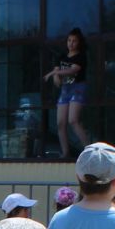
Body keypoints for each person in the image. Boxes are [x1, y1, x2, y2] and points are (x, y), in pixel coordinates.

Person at [44, 28, 90, 159]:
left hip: (78, 88)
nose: (71, 43)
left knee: (73, 120)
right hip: (65, 90)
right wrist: (55, 76)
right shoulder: (61, 56)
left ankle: (89, 149)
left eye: (74, 41)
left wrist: (54, 73)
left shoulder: (81, 56)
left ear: (79, 42)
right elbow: (57, 73)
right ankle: (65, 153)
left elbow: (73, 70)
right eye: (69, 40)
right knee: (60, 123)